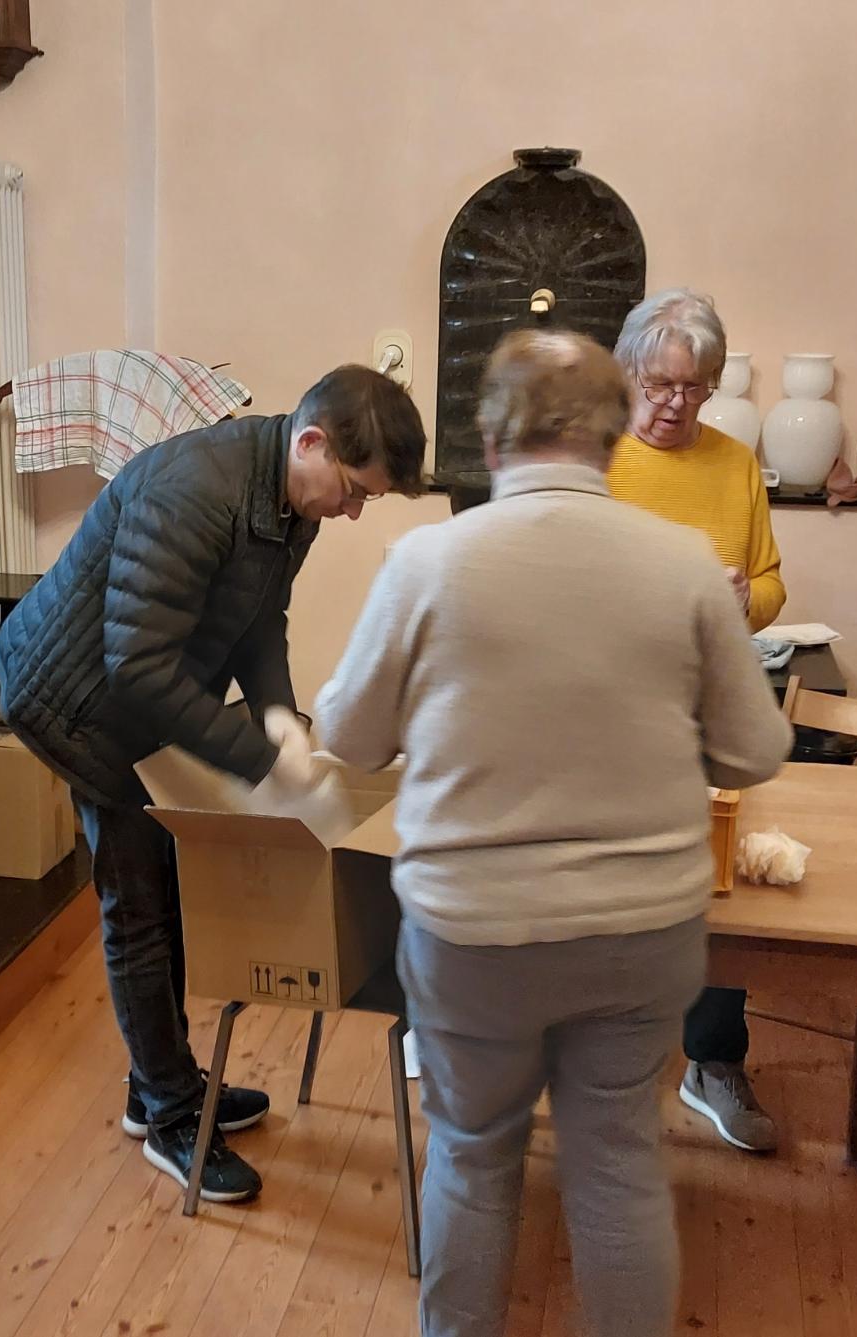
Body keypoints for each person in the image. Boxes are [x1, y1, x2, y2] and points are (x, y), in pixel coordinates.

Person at [314, 330, 792, 1337]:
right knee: (616, 1159)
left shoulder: (427, 561)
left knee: (474, 1152)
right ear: (614, 439)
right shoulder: (687, 569)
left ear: (491, 439)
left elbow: (350, 739)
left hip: (470, 931)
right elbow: (755, 751)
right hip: (640, 930)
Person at [0, 366, 426, 1203]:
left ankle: (160, 1078)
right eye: (353, 490)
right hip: (75, 699)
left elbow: (259, 619)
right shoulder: (193, 491)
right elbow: (139, 667)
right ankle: (166, 1110)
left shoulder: (286, 499)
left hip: (134, 692)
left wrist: (280, 719)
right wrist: (264, 761)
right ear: (312, 442)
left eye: (365, 499)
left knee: (172, 885)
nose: (352, 510)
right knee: (140, 900)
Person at [606, 287, 789, 1153]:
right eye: (661, 384)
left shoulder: (735, 464)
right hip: (605, 707)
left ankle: (713, 1062)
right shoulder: (588, 457)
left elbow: (772, 581)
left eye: (695, 388)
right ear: (629, 372)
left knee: (714, 885)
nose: (676, 403)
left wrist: (743, 597)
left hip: (703, 703)